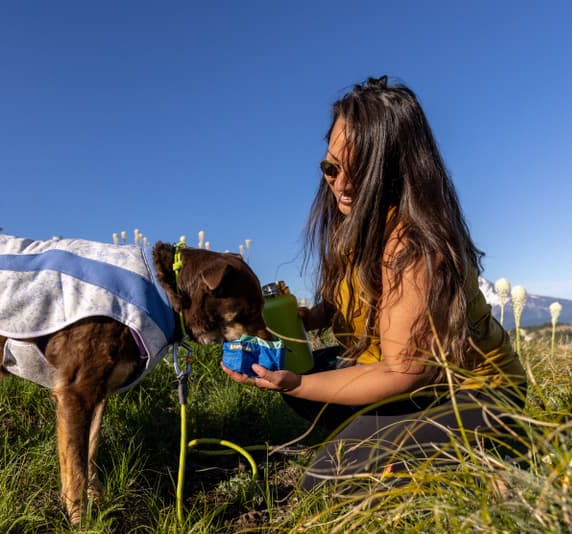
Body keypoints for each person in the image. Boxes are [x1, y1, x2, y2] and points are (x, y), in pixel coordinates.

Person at [222, 75, 526, 490]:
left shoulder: (414, 244)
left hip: (475, 396)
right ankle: (387, 446)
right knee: (303, 369)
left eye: (360, 171)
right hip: (411, 385)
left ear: (397, 170)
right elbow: (346, 303)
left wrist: (297, 382)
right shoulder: (353, 226)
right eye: (331, 168)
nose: (342, 186)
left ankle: (480, 454)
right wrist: (300, 323)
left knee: (323, 482)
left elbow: (405, 372)